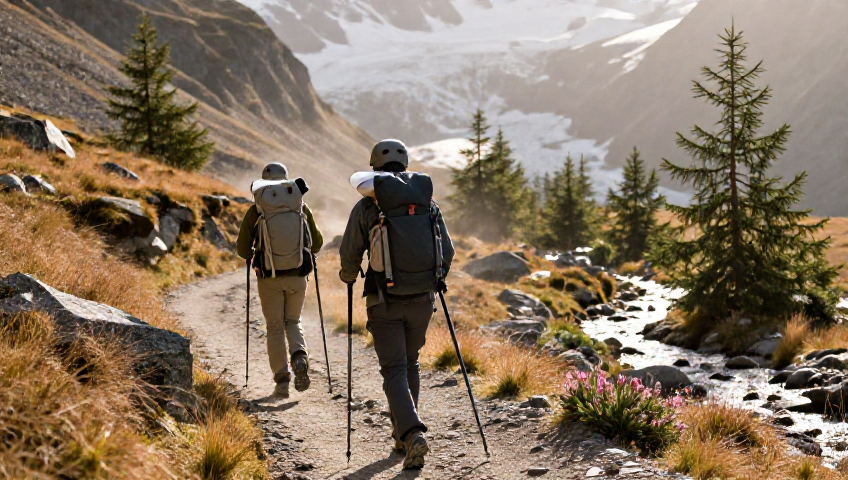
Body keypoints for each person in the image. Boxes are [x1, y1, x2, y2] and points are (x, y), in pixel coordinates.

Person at [339, 139, 455, 470]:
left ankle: (412, 433)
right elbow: (447, 251)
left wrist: (348, 276)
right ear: (406, 166)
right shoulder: (427, 204)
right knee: (410, 363)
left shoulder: (368, 205)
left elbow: (349, 252)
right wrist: (433, 281)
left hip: (383, 300)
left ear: (374, 167)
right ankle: (402, 437)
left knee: (393, 369)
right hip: (422, 300)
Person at [237, 162, 323, 397]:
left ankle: (282, 382)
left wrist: (256, 253)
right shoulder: (300, 206)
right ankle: (299, 356)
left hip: (269, 277)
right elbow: (316, 243)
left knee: (274, 327)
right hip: (298, 276)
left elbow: (242, 250)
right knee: (292, 321)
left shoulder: (256, 210)